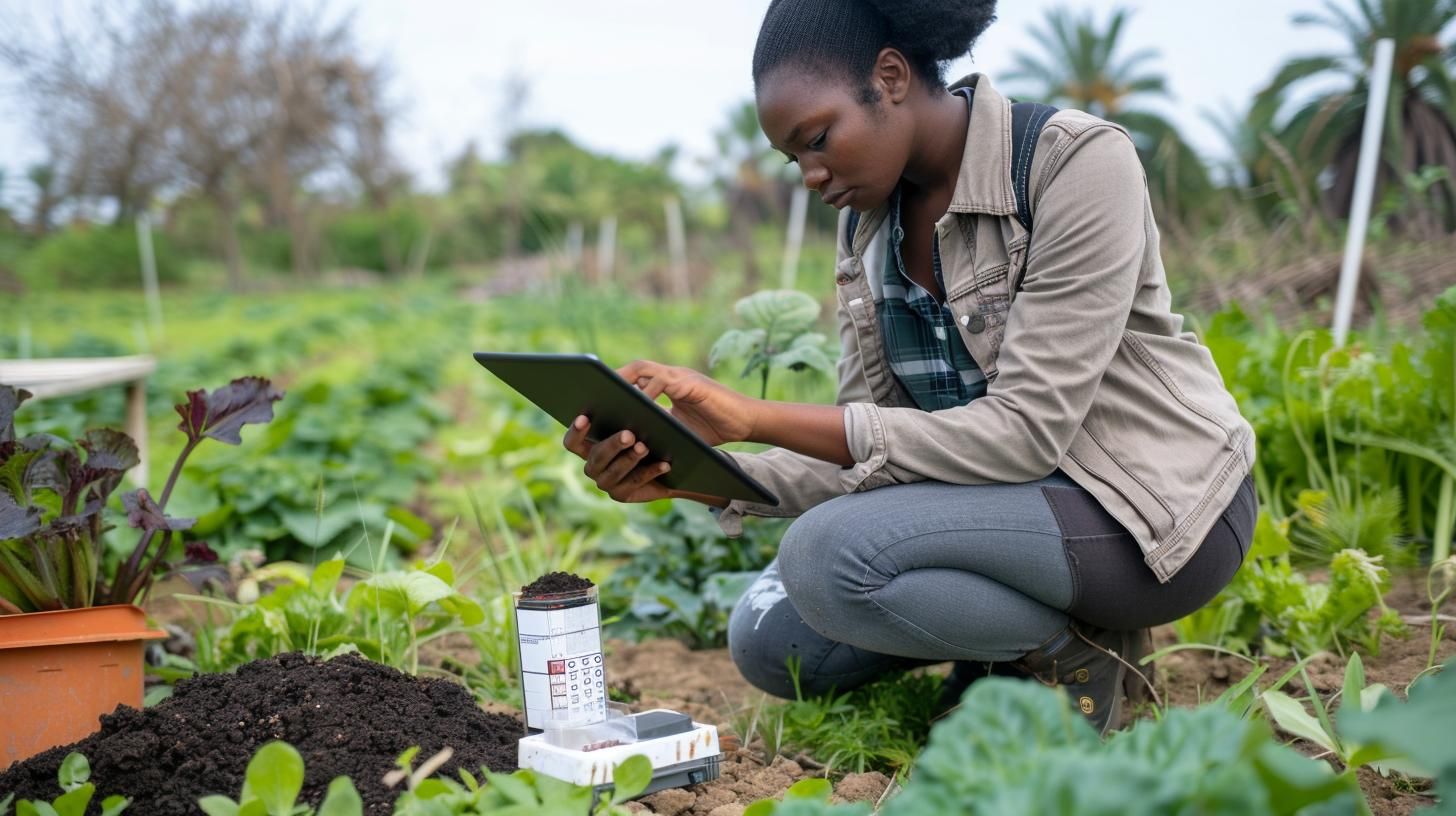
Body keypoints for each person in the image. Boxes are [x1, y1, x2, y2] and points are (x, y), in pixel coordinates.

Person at [562, 0, 1256, 735]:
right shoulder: (868, 225)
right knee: (772, 637)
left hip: (1149, 519)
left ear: (889, 77)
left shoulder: (1071, 163)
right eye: (793, 158)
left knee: (829, 554)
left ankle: (1075, 657)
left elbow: (1025, 435)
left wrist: (759, 415)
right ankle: (1008, 653)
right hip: (1004, 511)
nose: (809, 173)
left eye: (818, 138)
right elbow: (872, 459)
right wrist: (694, 469)